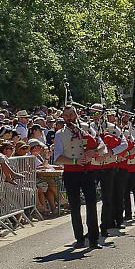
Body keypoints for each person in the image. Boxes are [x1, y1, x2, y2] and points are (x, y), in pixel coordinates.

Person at [51, 105, 99, 249]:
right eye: (66, 116)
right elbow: (57, 158)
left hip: (87, 171)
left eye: (71, 115)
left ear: (76, 115)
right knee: (75, 206)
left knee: (91, 204)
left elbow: (99, 145)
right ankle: (79, 238)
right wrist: (74, 161)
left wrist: (92, 152)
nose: (69, 118)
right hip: (71, 173)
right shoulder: (60, 134)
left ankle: (93, 238)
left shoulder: (87, 128)